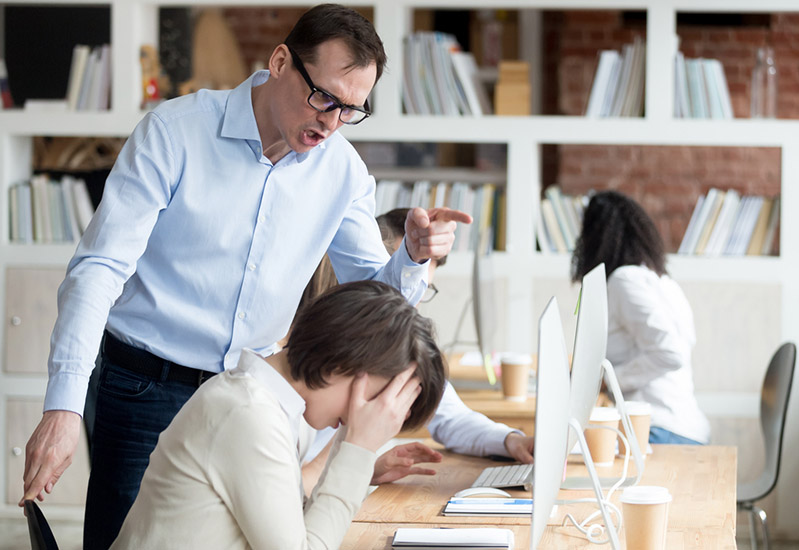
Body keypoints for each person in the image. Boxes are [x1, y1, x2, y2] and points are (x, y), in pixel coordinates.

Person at [20, 5, 470, 549]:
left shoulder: (343, 172)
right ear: (281, 61)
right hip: (144, 385)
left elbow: (372, 304)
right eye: (324, 97)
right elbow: (99, 269)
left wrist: (413, 259)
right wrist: (63, 406)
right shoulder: (176, 131)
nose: (331, 122)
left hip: (253, 398)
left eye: (351, 110)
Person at [110, 281, 446, 549]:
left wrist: (357, 456)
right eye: (379, 398)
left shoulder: (273, 403)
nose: (373, 413)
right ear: (349, 359)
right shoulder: (248, 414)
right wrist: (358, 449)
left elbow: (292, 520)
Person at [299, 208, 534, 489]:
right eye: (407, 282)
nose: (412, 301)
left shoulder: (388, 347)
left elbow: (449, 417)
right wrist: (355, 454)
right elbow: (290, 485)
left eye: (423, 287)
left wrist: (513, 441)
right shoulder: (299, 355)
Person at [571, 190, 709, 445]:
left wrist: (609, 381)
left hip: (660, 428)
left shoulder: (624, 281)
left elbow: (671, 353)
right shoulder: (661, 281)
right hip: (683, 426)